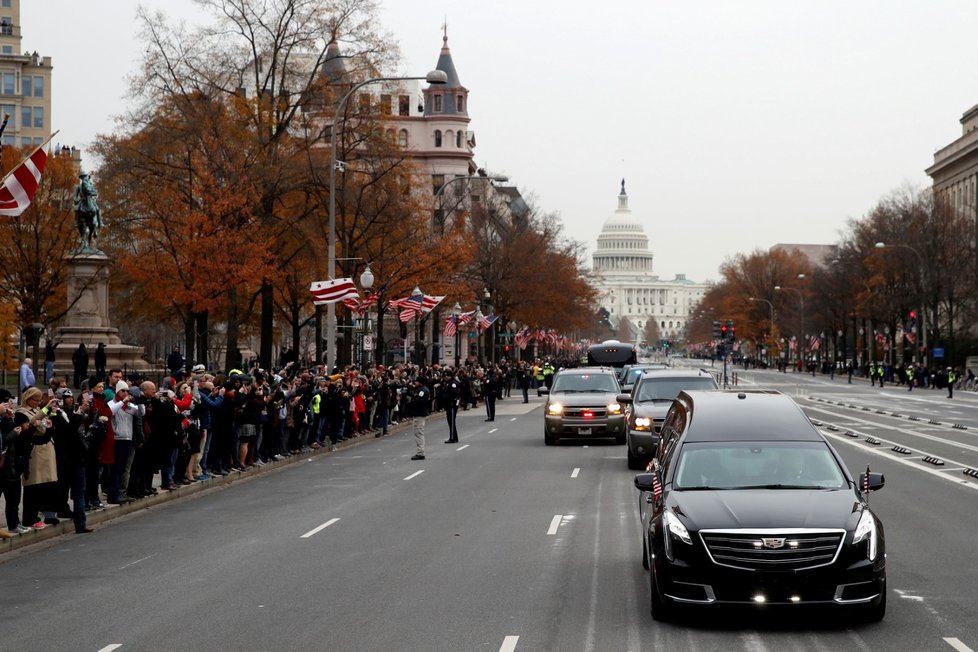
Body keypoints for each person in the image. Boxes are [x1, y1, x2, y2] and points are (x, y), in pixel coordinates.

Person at [14, 387, 57, 530]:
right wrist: (45, 410)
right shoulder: (22, 411)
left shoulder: (37, 410)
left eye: (40, 401)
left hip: (45, 448)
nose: (38, 403)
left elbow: (43, 426)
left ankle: (37, 516)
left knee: (43, 485)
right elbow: (31, 423)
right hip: (33, 450)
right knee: (33, 485)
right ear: (28, 399)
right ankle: (29, 518)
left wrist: (49, 425)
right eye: (35, 400)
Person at [407, 378, 430, 460]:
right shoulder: (420, 389)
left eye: (416, 381)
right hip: (418, 413)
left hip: (419, 413)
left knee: (419, 433)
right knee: (418, 433)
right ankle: (420, 451)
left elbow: (419, 401)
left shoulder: (422, 391)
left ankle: (420, 453)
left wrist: (411, 403)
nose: (415, 382)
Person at [439, 371, 461, 444]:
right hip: (448, 404)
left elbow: (454, 393)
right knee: (450, 421)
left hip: (452, 404)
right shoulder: (448, 383)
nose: (446, 377)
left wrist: (449, 399)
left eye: (447, 376)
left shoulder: (453, 383)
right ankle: (455, 437)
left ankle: (452, 438)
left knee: (451, 421)